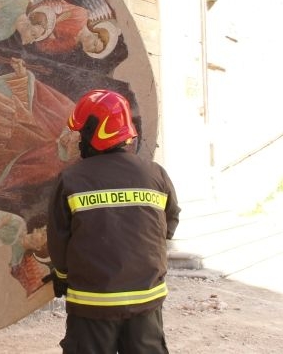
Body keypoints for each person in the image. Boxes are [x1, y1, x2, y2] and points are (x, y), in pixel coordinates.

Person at [46, 89, 181, 354]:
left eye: (82, 133)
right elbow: (171, 220)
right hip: (146, 300)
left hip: (92, 305)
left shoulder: (71, 179)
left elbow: (58, 240)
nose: (79, 141)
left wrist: (61, 276)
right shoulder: (155, 174)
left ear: (97, 132)